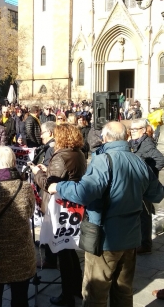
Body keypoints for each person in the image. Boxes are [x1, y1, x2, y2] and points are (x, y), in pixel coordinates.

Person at [49, 122, 164, 306]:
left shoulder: (103, 160)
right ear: (126, 137)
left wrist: (58, 186)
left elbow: (83, 192)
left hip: (106, 238)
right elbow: (157, 193)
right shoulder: (139, 161)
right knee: (124, 291)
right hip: (131, 237)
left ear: (105, 138)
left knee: (96, 293)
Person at [32, 124, 87, 307]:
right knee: (69, 250)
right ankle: (77, 287)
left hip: (61, 207)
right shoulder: (77, 152)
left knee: (63, 252)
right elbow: (65, 176)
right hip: (73, 204)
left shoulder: (61, 155)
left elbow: (50, 186)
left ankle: (67, 295)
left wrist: (37, 173)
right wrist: (48, 170)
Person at [0, 146, 36, 307]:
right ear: (13, 161)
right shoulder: (25, 187)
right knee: (20, 299)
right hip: (21, 252)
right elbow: (30, 213)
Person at [128, 118, 164, 255]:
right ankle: (142, 241)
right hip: (138, 184)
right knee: (141, 213)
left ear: (143, 130)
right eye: (131, 129)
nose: (132, 132)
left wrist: (147, 173)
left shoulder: (146, 144)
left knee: (144, 214)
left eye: (135, 129)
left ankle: (145, 244)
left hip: (143, 184)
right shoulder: (136, 142)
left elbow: (160, 160)